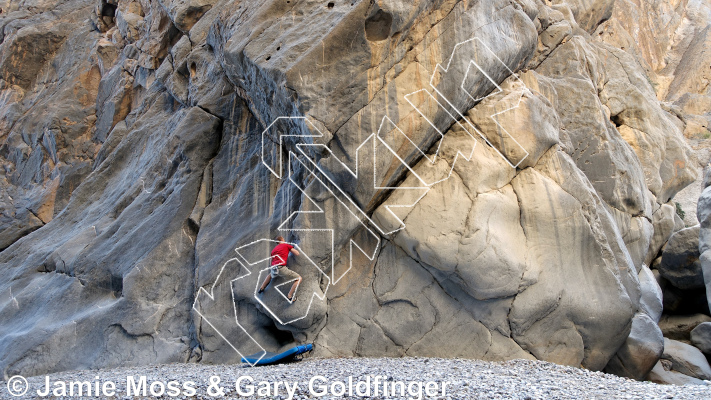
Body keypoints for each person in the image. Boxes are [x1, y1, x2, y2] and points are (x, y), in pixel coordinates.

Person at [258, 236, 301, 303]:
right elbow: (297, 253)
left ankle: (262, 288)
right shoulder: (286, 245)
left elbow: (270, 261)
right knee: (299, 279)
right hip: (281, 268)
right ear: (282, 239)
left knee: (270, 274)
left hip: (274, 267)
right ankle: (289, 296)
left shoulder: (274, 250)